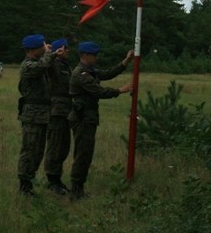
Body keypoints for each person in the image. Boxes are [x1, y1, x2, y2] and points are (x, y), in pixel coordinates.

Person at [68, 41, 133, 200]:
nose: (96, 58)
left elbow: (107, 73)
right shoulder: (81, 74)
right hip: (82, 118)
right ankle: (76, 190)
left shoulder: (89, 70)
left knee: (86, 153)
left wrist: (125, 62)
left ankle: (78, 188)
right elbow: (99, 92)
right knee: (83, 154)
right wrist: (120, 90)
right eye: (94, 56)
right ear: (85, 56)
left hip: (88, 118)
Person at [16, 34, 53, 196]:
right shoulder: (28, 66)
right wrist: (49, 53)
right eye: (41, 47)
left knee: (38, 151)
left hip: (41, 113)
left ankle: (30, 182)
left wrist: (50, 53)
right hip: (32, 114)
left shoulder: (38, 61)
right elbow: (43, 66)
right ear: (32, 50)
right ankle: (24, 185)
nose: (44, 49)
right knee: (30, 149)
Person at [43, 38, 73, 195]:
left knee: (63, 146)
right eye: (65, 48)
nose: (67, 51)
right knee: (55, 145)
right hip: (55, 111)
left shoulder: (65, 66)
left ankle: (57, 178)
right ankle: (52, 180)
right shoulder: (53, 64)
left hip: (65, 111)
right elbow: (45, 66)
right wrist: (50, 53)